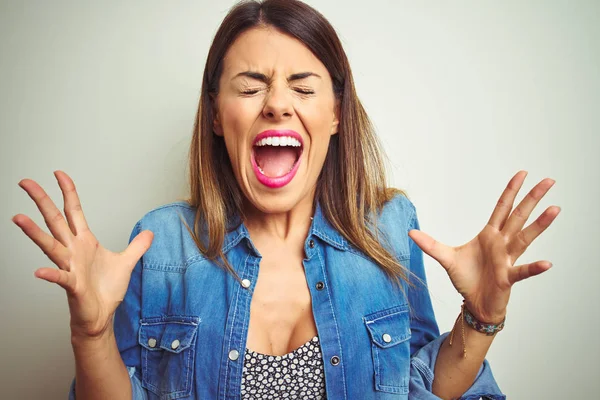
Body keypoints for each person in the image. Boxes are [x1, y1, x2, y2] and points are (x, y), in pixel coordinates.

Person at [12, 0, 560, 399]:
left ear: (337, 114)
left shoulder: (391, 230)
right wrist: (92, 334)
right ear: (217, 118)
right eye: (250, 87)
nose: (276, 104)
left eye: (303, 87)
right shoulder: (159, 245)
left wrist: (481, 318)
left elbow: (426, 390)